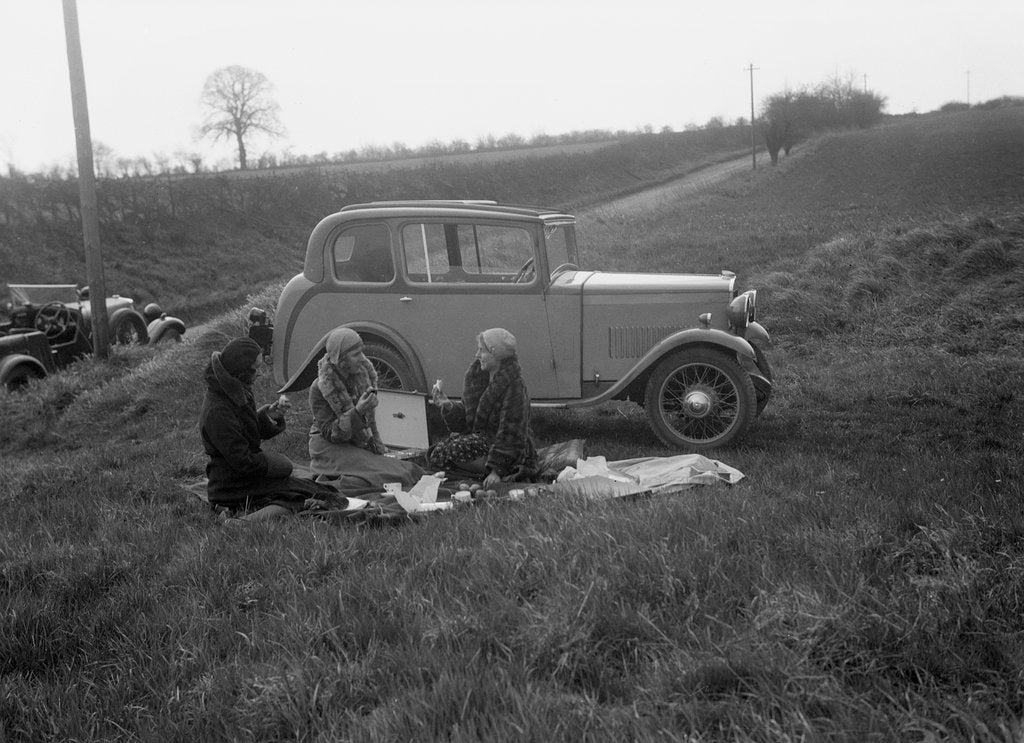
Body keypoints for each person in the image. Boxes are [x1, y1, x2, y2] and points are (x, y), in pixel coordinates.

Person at [200, 337, 339, 521]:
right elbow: (242, 460)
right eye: (255, 368)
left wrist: (268, 417)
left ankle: (239, 512)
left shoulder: (234, 390)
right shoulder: (217, 410)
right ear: (241, 370)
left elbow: (244, 432)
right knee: (296, 497)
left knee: (318, 490)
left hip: (244, 476)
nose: (259, 373)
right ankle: (240, 522)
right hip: (232, 484)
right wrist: (277, 465)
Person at [308, 327, 425, 493]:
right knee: (387, 474)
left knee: (402, 469)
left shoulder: (359, 376)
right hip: (328, 448)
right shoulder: (321, 387)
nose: (362, 359)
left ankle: (348, 478)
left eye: (361, 352)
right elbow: (331, 434)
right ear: (341, 360)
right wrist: (357, 412)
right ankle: (331, 483)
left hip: (355, 442)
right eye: (356, 355)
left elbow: (368, 423)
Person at [428, 327, 538, 486]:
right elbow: (467, 420)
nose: (477, 355)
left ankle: (502, 469)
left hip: (512, 451)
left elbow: (511, 433)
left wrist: (496, 471)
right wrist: (449, 406)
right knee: (440, 452)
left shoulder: (515, 386)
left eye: (482, 351)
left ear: (496, 354)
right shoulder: (477, 378)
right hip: (483, 442)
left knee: (451, 450)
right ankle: (478, 469)